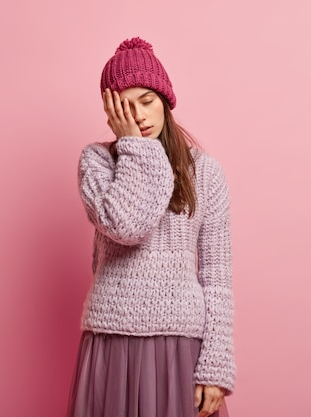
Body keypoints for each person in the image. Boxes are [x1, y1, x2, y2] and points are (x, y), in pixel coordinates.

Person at [66, 37, 235, 417]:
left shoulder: (205, 172)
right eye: (124, 105)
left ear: (165, 102)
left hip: (180, 346)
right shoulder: (95, 162)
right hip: (112, 340)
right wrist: (137, 149)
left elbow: (217, 275)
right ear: (109, 110)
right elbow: (127, 226)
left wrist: (217, 365)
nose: (139, 115)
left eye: (147, 101)